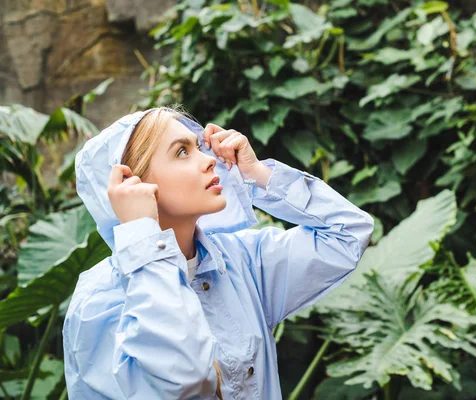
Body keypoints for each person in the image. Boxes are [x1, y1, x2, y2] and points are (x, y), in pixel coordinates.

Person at [63, 105, 374, 399]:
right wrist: (143, 238)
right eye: (182, 151)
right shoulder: (99, 301)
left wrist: (257, 175)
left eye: (199, 146)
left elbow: (348, 233)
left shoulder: (243, 261)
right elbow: (185, 377)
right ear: (134, 183)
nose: (208, 159)